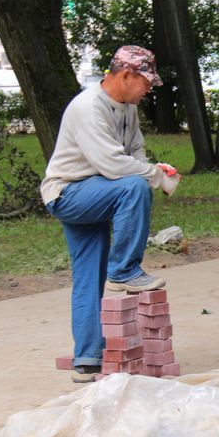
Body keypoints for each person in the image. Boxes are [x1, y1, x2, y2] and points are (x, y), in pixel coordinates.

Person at [40, 45, 181, 382]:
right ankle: (125, 270)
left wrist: (155, 168)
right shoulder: (89, 108)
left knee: (88, 277)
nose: (149, 90)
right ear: (126, 75)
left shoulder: (127, 108)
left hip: (98, 192)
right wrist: (154, 177)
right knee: (133, 186)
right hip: (69, 193)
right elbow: (113, 164)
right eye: (146, 82)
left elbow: (135, 152)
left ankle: (87, 359)